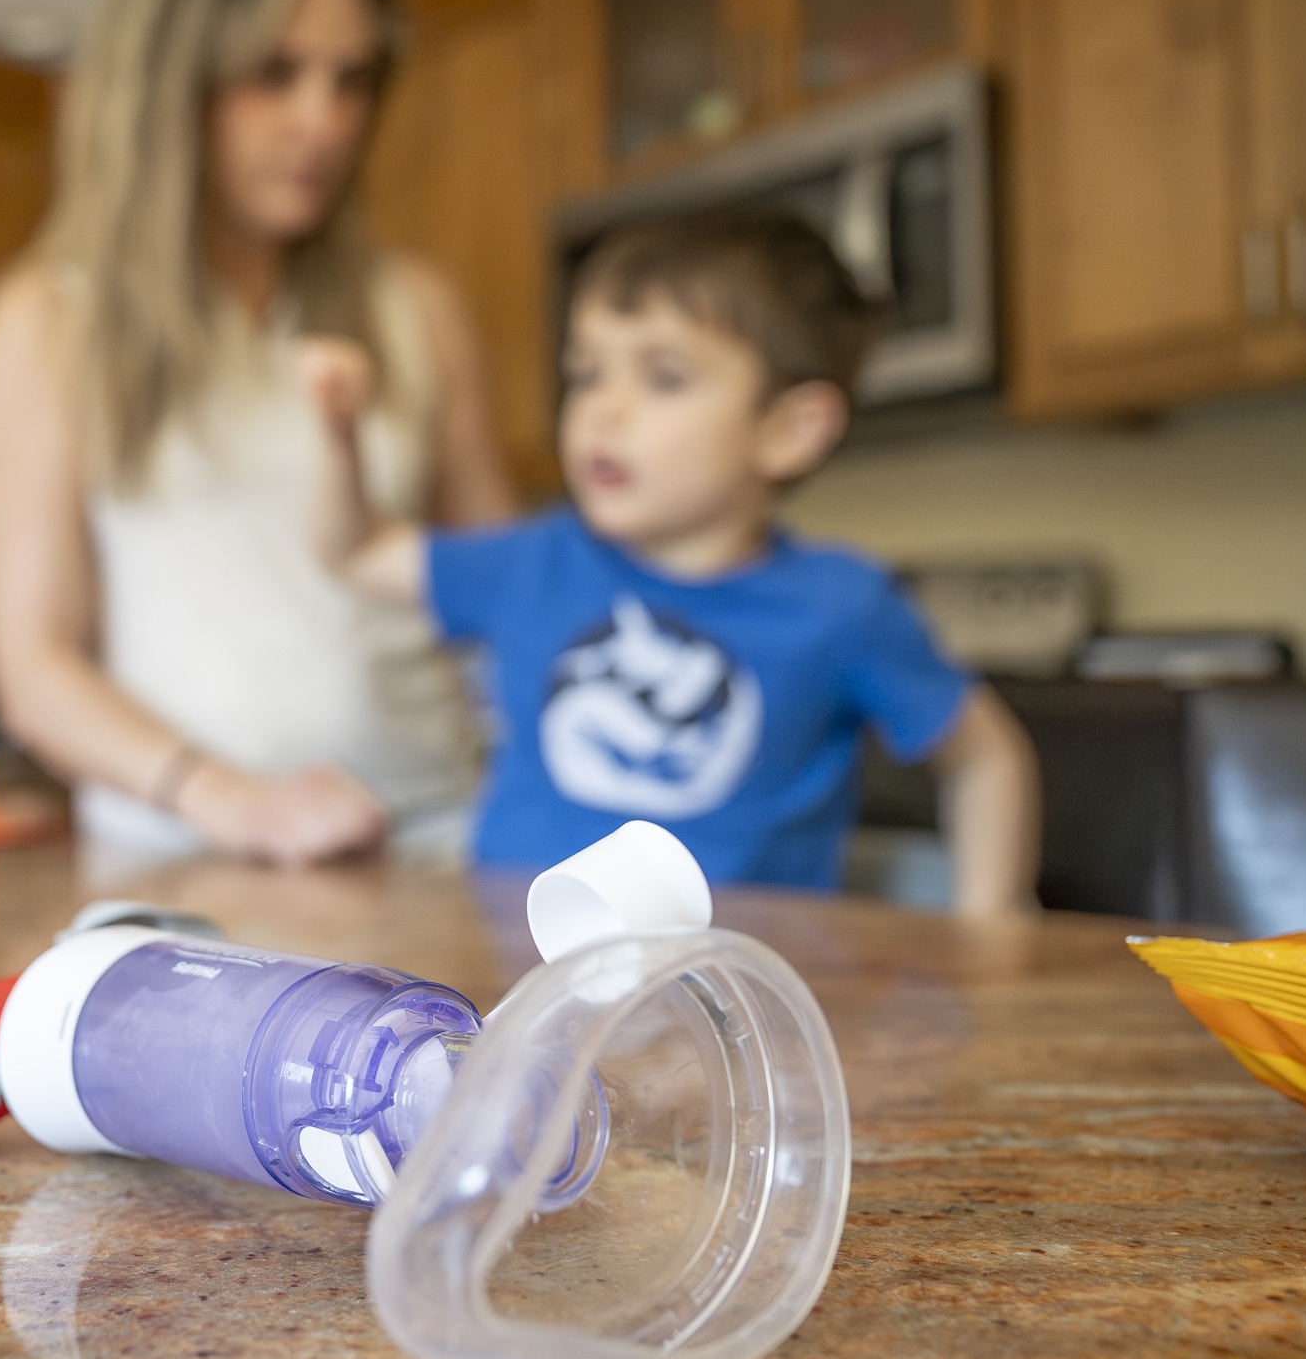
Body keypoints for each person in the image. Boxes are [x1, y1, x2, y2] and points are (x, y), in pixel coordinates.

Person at [0, 0, 516, 865]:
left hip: (435, 841)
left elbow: (510, 595)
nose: (324, 121)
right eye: (275, 73)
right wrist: (232, 800)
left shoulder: (417, 310)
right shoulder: (46, 321)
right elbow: (35, 666)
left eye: (352, 80)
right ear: (171, 82)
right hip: (182, 855)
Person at [310, 208, 1042, 917]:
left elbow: (984, 758)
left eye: (662, 378)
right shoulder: (529, 564)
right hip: (510, 991)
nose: (603, 409)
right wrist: (337, 436)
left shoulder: (842, 606)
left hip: (733, 1012)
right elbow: (357, 551)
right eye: (587, 372)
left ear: (789, 430)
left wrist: (994, 918)